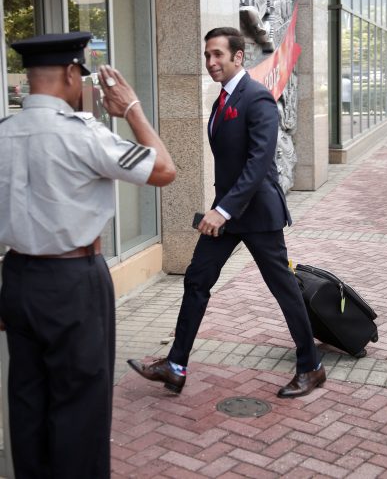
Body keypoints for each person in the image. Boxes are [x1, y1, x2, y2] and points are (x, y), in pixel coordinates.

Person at [0, 32, 175, 479]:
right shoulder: (85, 135)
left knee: (27, 398)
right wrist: (132, 109)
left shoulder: (5, 133)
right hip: (73, 280)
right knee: (80, 402)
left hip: (17, 277)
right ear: (70, 73)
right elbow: (164, 170)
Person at [128, 27, 325, 399]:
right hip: (229, 216)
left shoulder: (258, 99)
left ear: (238, 57)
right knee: (196, 280)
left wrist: (222, 210)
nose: (211, 62)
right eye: (207, 55)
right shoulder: (223, 99)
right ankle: (176, 365)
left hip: (257, 215)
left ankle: (311, 367)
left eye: (218, 54)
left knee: (283, 290)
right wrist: (223, 211)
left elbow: (259, 162)